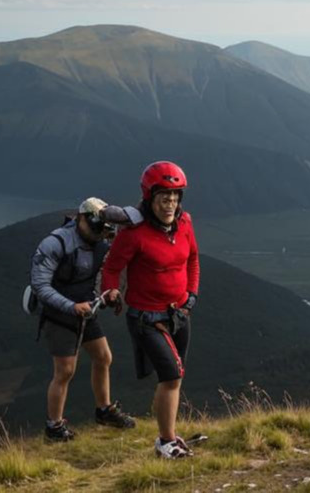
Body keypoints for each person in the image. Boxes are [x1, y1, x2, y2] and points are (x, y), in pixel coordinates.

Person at [102, 161, 200, 460]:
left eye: (175, 197)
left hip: (179, 313)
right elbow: (111, 268)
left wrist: (192, 295)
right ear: (150, 198)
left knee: (173, 378)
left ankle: (169, 434)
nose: (170, 204)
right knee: (171, 375)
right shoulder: (133, 233)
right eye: (163, 198)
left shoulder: (185, 224)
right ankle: (165, 441)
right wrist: (110, 291)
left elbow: (193, 259)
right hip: (146, 317)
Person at [30, 197, 137, 442]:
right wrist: (71, 306)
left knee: (103, 357)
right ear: (80, 218)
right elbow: (39, 285)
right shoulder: (55, 243)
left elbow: (104, 272)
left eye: (103, 231)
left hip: (86, 309)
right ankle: (54, 427)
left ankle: (104, 410)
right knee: (65, 370)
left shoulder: (100, 241)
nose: (98, 235)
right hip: (60, 313)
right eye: (94, 228)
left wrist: (108, 293)